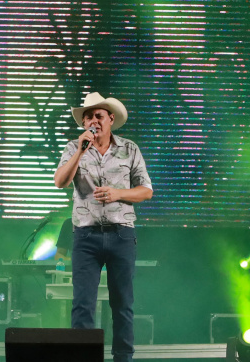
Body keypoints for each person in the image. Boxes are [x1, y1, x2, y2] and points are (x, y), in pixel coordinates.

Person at [54, 92, 153, 362]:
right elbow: (61, 181)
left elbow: (146, 191)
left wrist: (118, 194)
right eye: (88, 117)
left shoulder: (129, 148)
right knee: (82, 304)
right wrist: (79, 150)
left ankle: (123, 359)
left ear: (110, 119)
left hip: (121, 234)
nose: (93, 121)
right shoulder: (73, 147)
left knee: (122, 304)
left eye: (98, 116)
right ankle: (84, 358)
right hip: (85, 236)